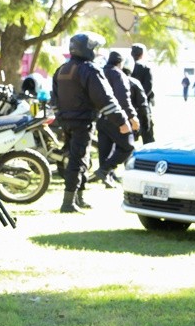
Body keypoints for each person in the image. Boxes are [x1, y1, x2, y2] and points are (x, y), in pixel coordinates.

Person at [51, 32, 131, 213]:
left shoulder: (62, 69)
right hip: (82, 122)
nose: (96, 52)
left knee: (81, 158)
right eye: (94, 48)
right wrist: (121, 121)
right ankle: (68, 202)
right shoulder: (89, 69)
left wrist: (62, 118)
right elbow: (105, 98)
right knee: (78, 159)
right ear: (87, 49)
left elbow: (53, 100)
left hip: (67, 123)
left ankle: (78, 198)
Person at [92, 51, 139, 189]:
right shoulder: (118, 74)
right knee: (128, 146)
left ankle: (106, 177)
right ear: (120, 63)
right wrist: (131, 116)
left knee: (104, 150)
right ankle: (104, 171)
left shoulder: (99, 73)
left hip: (100, 117)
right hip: (116, 118)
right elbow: (123, 98)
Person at [130, 43, 155, 143]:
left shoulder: (127, 67)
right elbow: (148, 88)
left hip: (129, 104)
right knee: (147, 133)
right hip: (142, 105)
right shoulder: (145, 68)